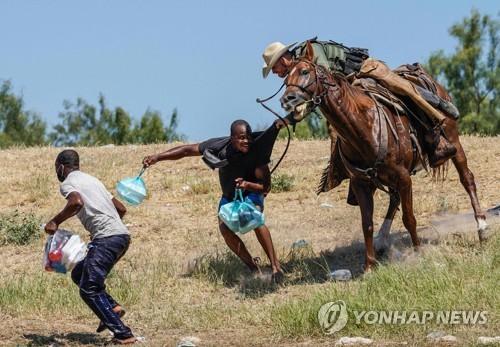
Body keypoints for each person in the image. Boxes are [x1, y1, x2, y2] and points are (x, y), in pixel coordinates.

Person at [262, 39, 459, 168]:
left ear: (283, 59)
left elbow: (324, 82)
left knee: (401, 90)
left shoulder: (309, 52)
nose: (274, 73)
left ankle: (436, 118)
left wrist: (294, 115)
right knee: (335, 128)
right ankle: (344, 169)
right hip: (347, 88)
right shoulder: (297, 73)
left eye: (274, 67)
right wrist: (291, 115)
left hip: (364, 71)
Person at [143, 120, 284, 282]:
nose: (247, 141)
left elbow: (265, 188)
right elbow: (187, 150)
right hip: (229, 197)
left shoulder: (256, 153)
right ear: (232, 138)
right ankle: (253, 268)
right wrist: (157, 157)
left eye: (249, 138)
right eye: (242, 138)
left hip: (252, 193)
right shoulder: (219, 146)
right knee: (225, 229)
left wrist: (247, 184)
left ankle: (275, 268)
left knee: (254, 218)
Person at [45, 150, 136, 345]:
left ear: (61, 166)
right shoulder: (93, 180)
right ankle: (112, 308)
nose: (57, 172)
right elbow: (121, 208)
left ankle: (123, 334)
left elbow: (76, 202)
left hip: (107, 239)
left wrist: (55, 221)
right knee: (79, 273)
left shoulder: (68, 182)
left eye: (56, 168)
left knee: (89, 289)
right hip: (121, 237)